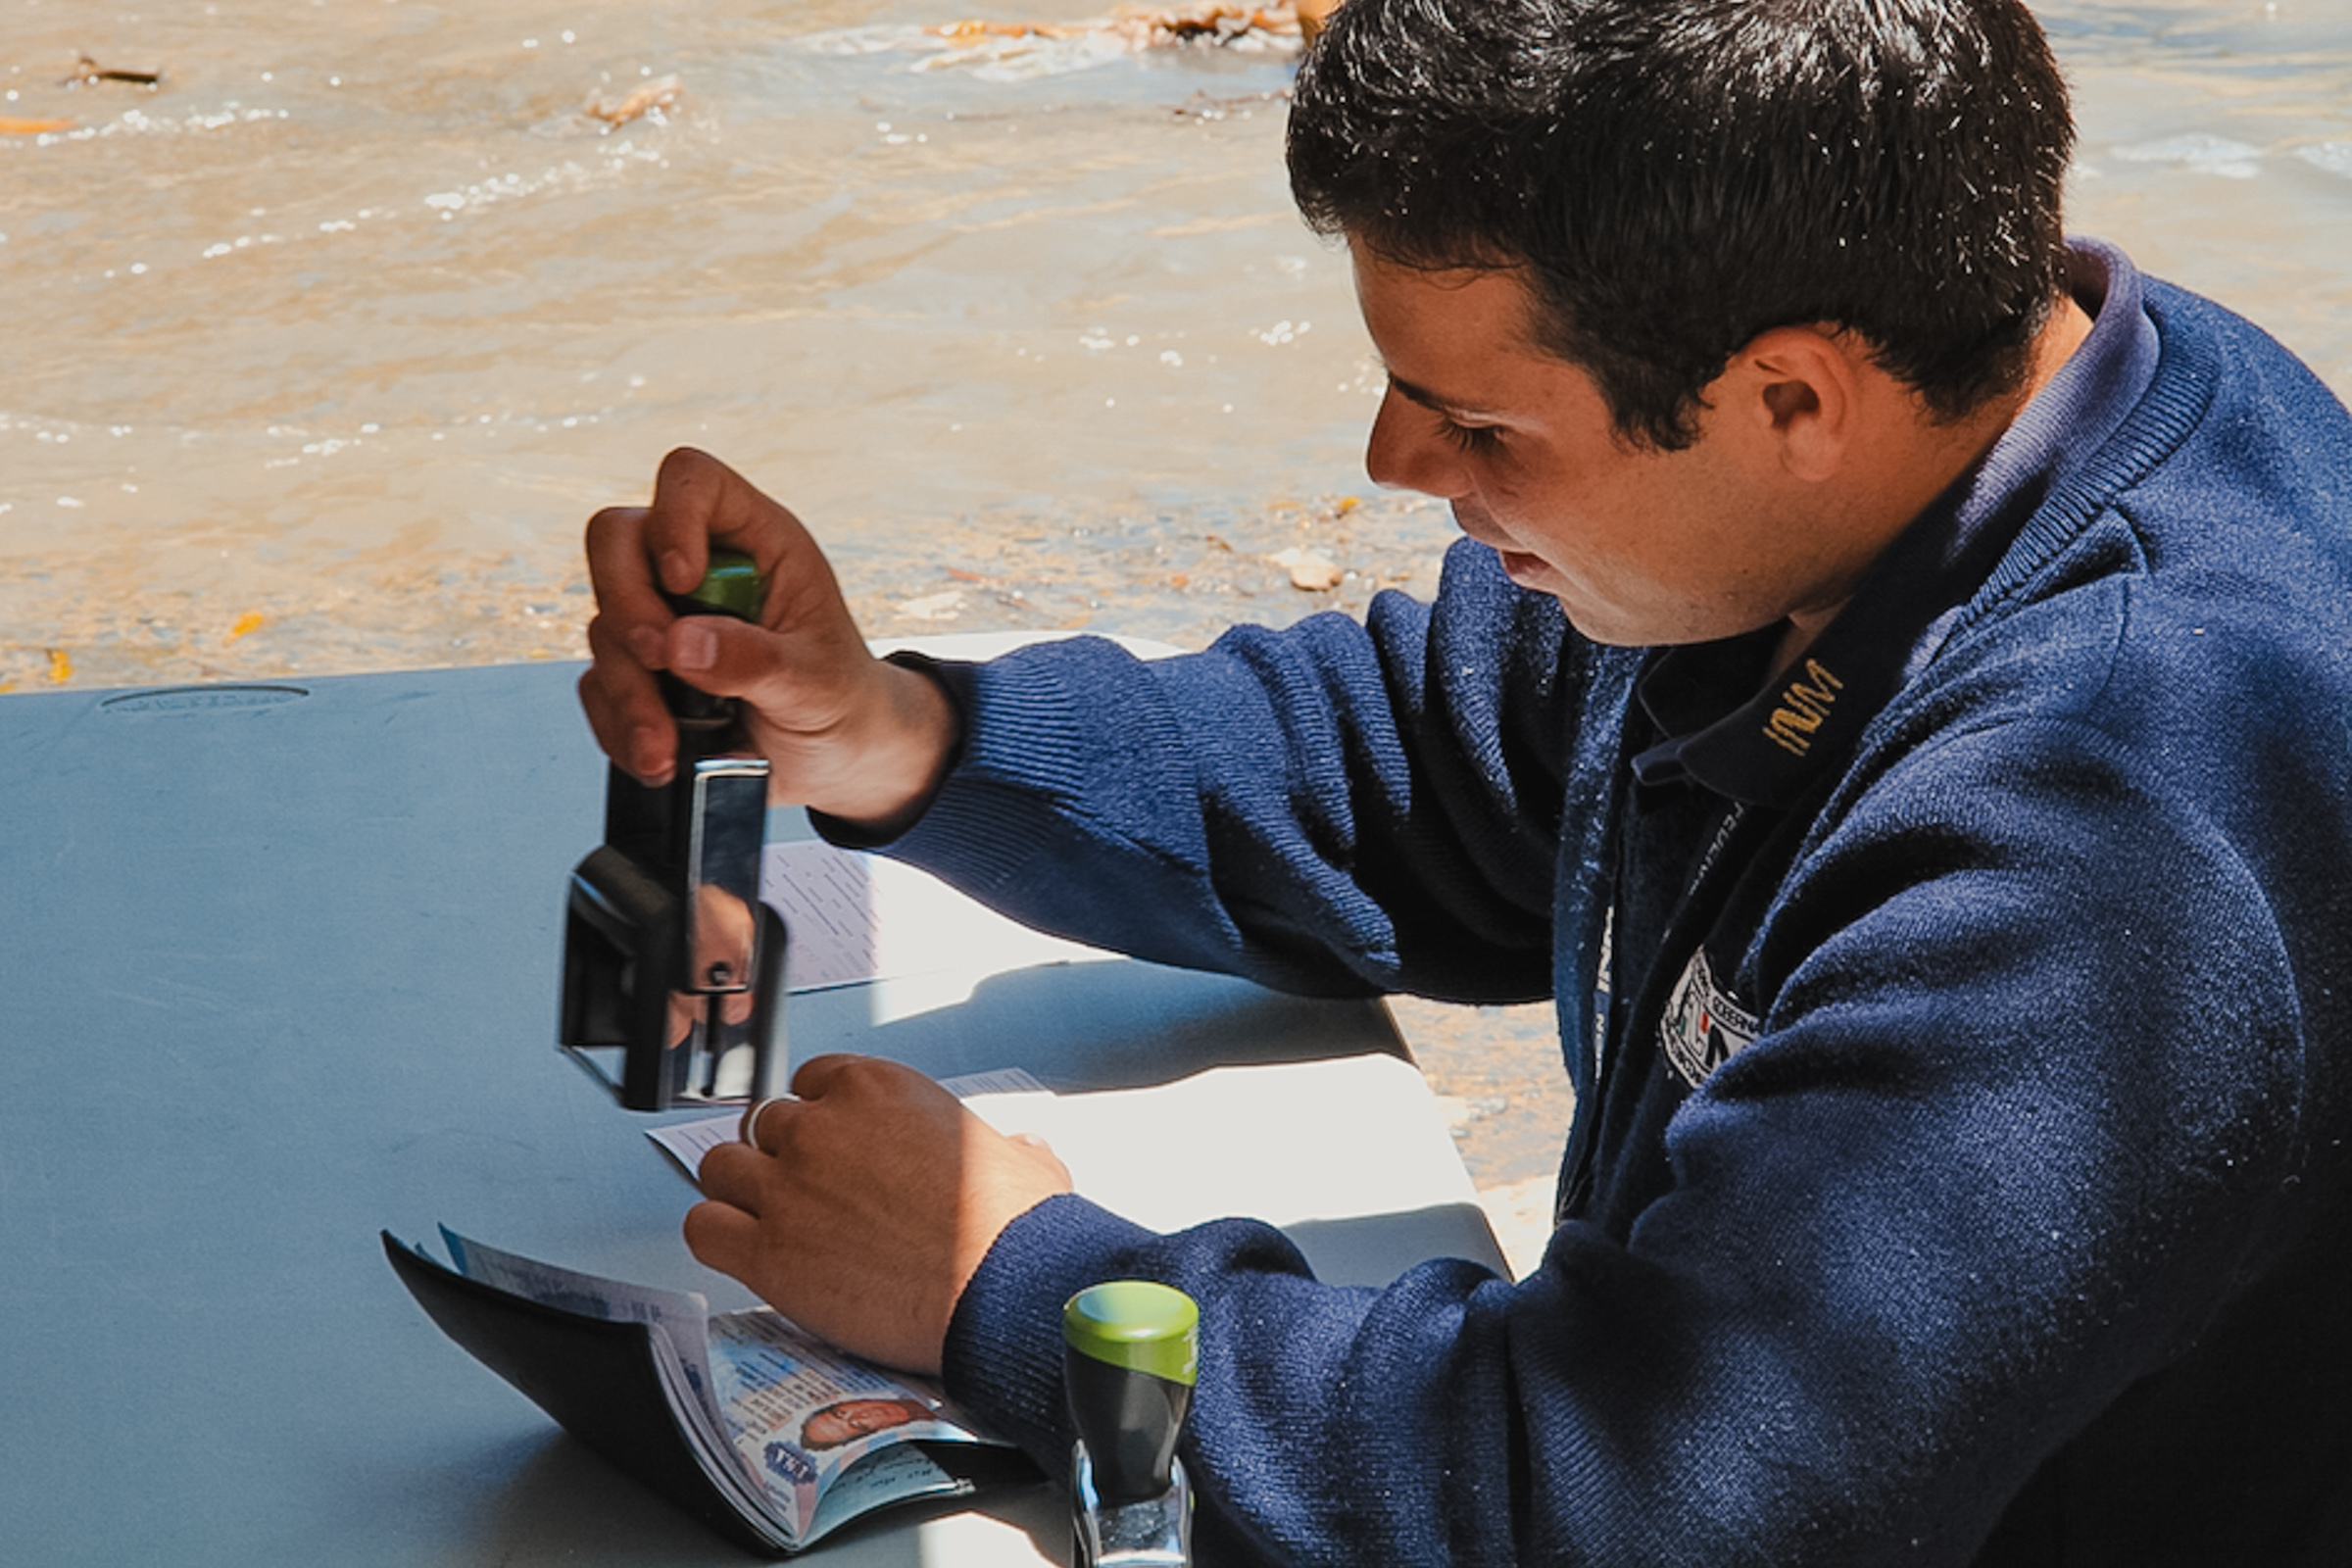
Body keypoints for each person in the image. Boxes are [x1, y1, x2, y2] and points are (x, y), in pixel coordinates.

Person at [577, 0, 2352, 1560]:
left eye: (1482, 427)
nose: (1392, 460)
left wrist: (1010, 1283)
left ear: (1792, 400)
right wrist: (897, 731)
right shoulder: (1924, 413)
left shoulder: (2107, 833)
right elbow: (1422, 763)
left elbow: (1629, 1500)